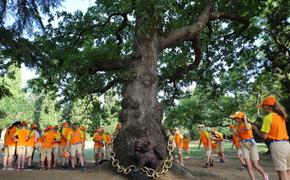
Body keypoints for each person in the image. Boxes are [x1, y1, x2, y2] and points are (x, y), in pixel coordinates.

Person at [253, 96, 290, 180]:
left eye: (262, 107)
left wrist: (256, 130)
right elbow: (275, 129)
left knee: (282, 174)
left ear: (266, 106)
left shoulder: (268, 117)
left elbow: (264, 136)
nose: (262, 109)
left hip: (277, 146)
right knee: (287, 172)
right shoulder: (281, 116)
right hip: (287, 144)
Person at [231, 111, 269, 180]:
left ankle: (264, 174)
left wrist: (245, 119)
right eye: (234, 118)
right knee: (248, 166)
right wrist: (233, 131)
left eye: (236, 118)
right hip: (243, 144)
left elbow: (247, 128)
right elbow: (238, 135)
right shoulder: (237, 126)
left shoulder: (247, 124)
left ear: (240, 118)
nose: (234, 120)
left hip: (251, 143)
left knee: (255, 165)